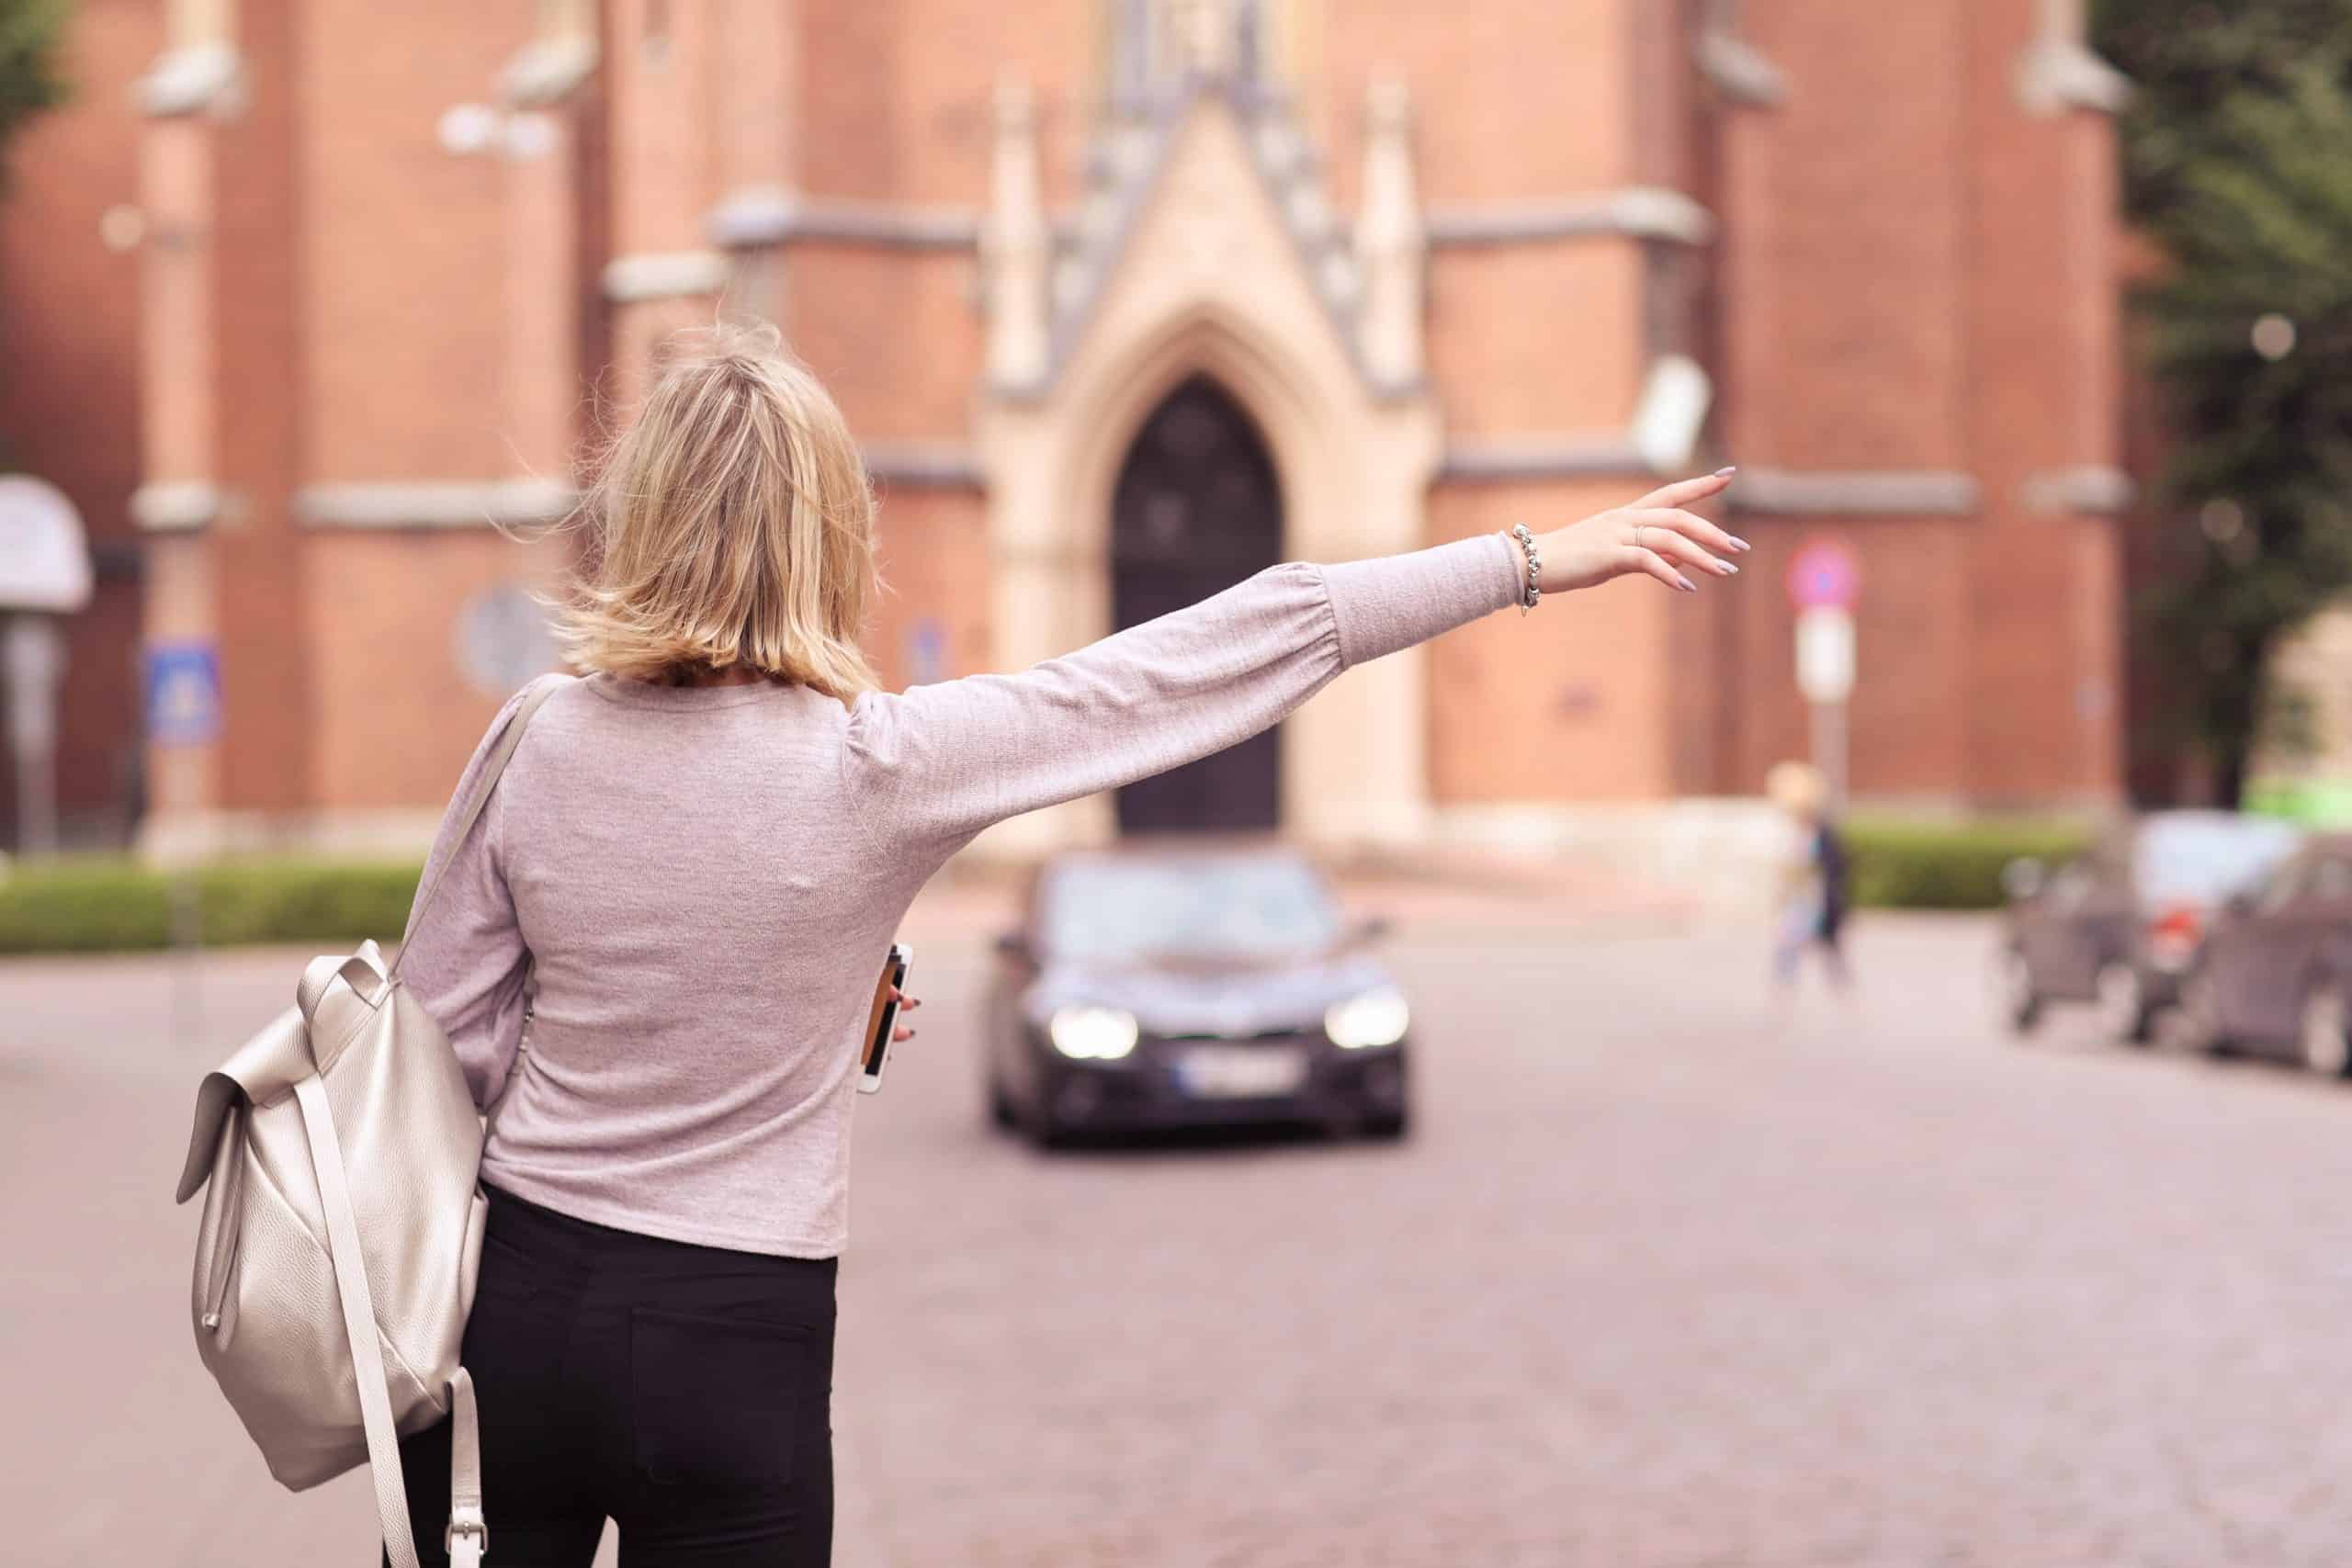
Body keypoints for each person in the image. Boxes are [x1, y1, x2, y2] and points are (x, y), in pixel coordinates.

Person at [389, 322, 1746, 1566]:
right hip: (738, 1331)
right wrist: (1521, 560)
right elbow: (1225, 646)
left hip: (526, 1310)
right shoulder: (881, 766)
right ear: (827, 537)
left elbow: (436, 1036)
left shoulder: (537, 736)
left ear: (640, 521)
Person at [1767, 759, 1852, 994]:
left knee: (1820, 943)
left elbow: (1836, 866)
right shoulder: (1790, 831)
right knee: (1788, 943)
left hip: (1814, 897)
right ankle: (1784, 985)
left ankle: (1838, 986)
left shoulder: (1820, 833)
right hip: (1797, 897)